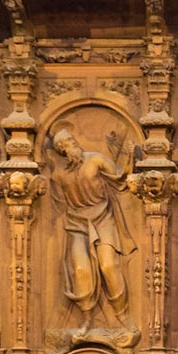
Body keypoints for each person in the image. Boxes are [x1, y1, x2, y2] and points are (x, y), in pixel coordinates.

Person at [48, 127, 135, 326]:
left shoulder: (96, 160)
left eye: (71, 138)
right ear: (61, 149)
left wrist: (129, 156)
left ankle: (123, 316)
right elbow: (58, 205)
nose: (72, 143)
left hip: (103, 218)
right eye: (66, 142)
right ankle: (87, 319)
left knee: (108, 265)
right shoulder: (59, 174)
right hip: (76, 223)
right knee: (80, 269)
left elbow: (120, 179)